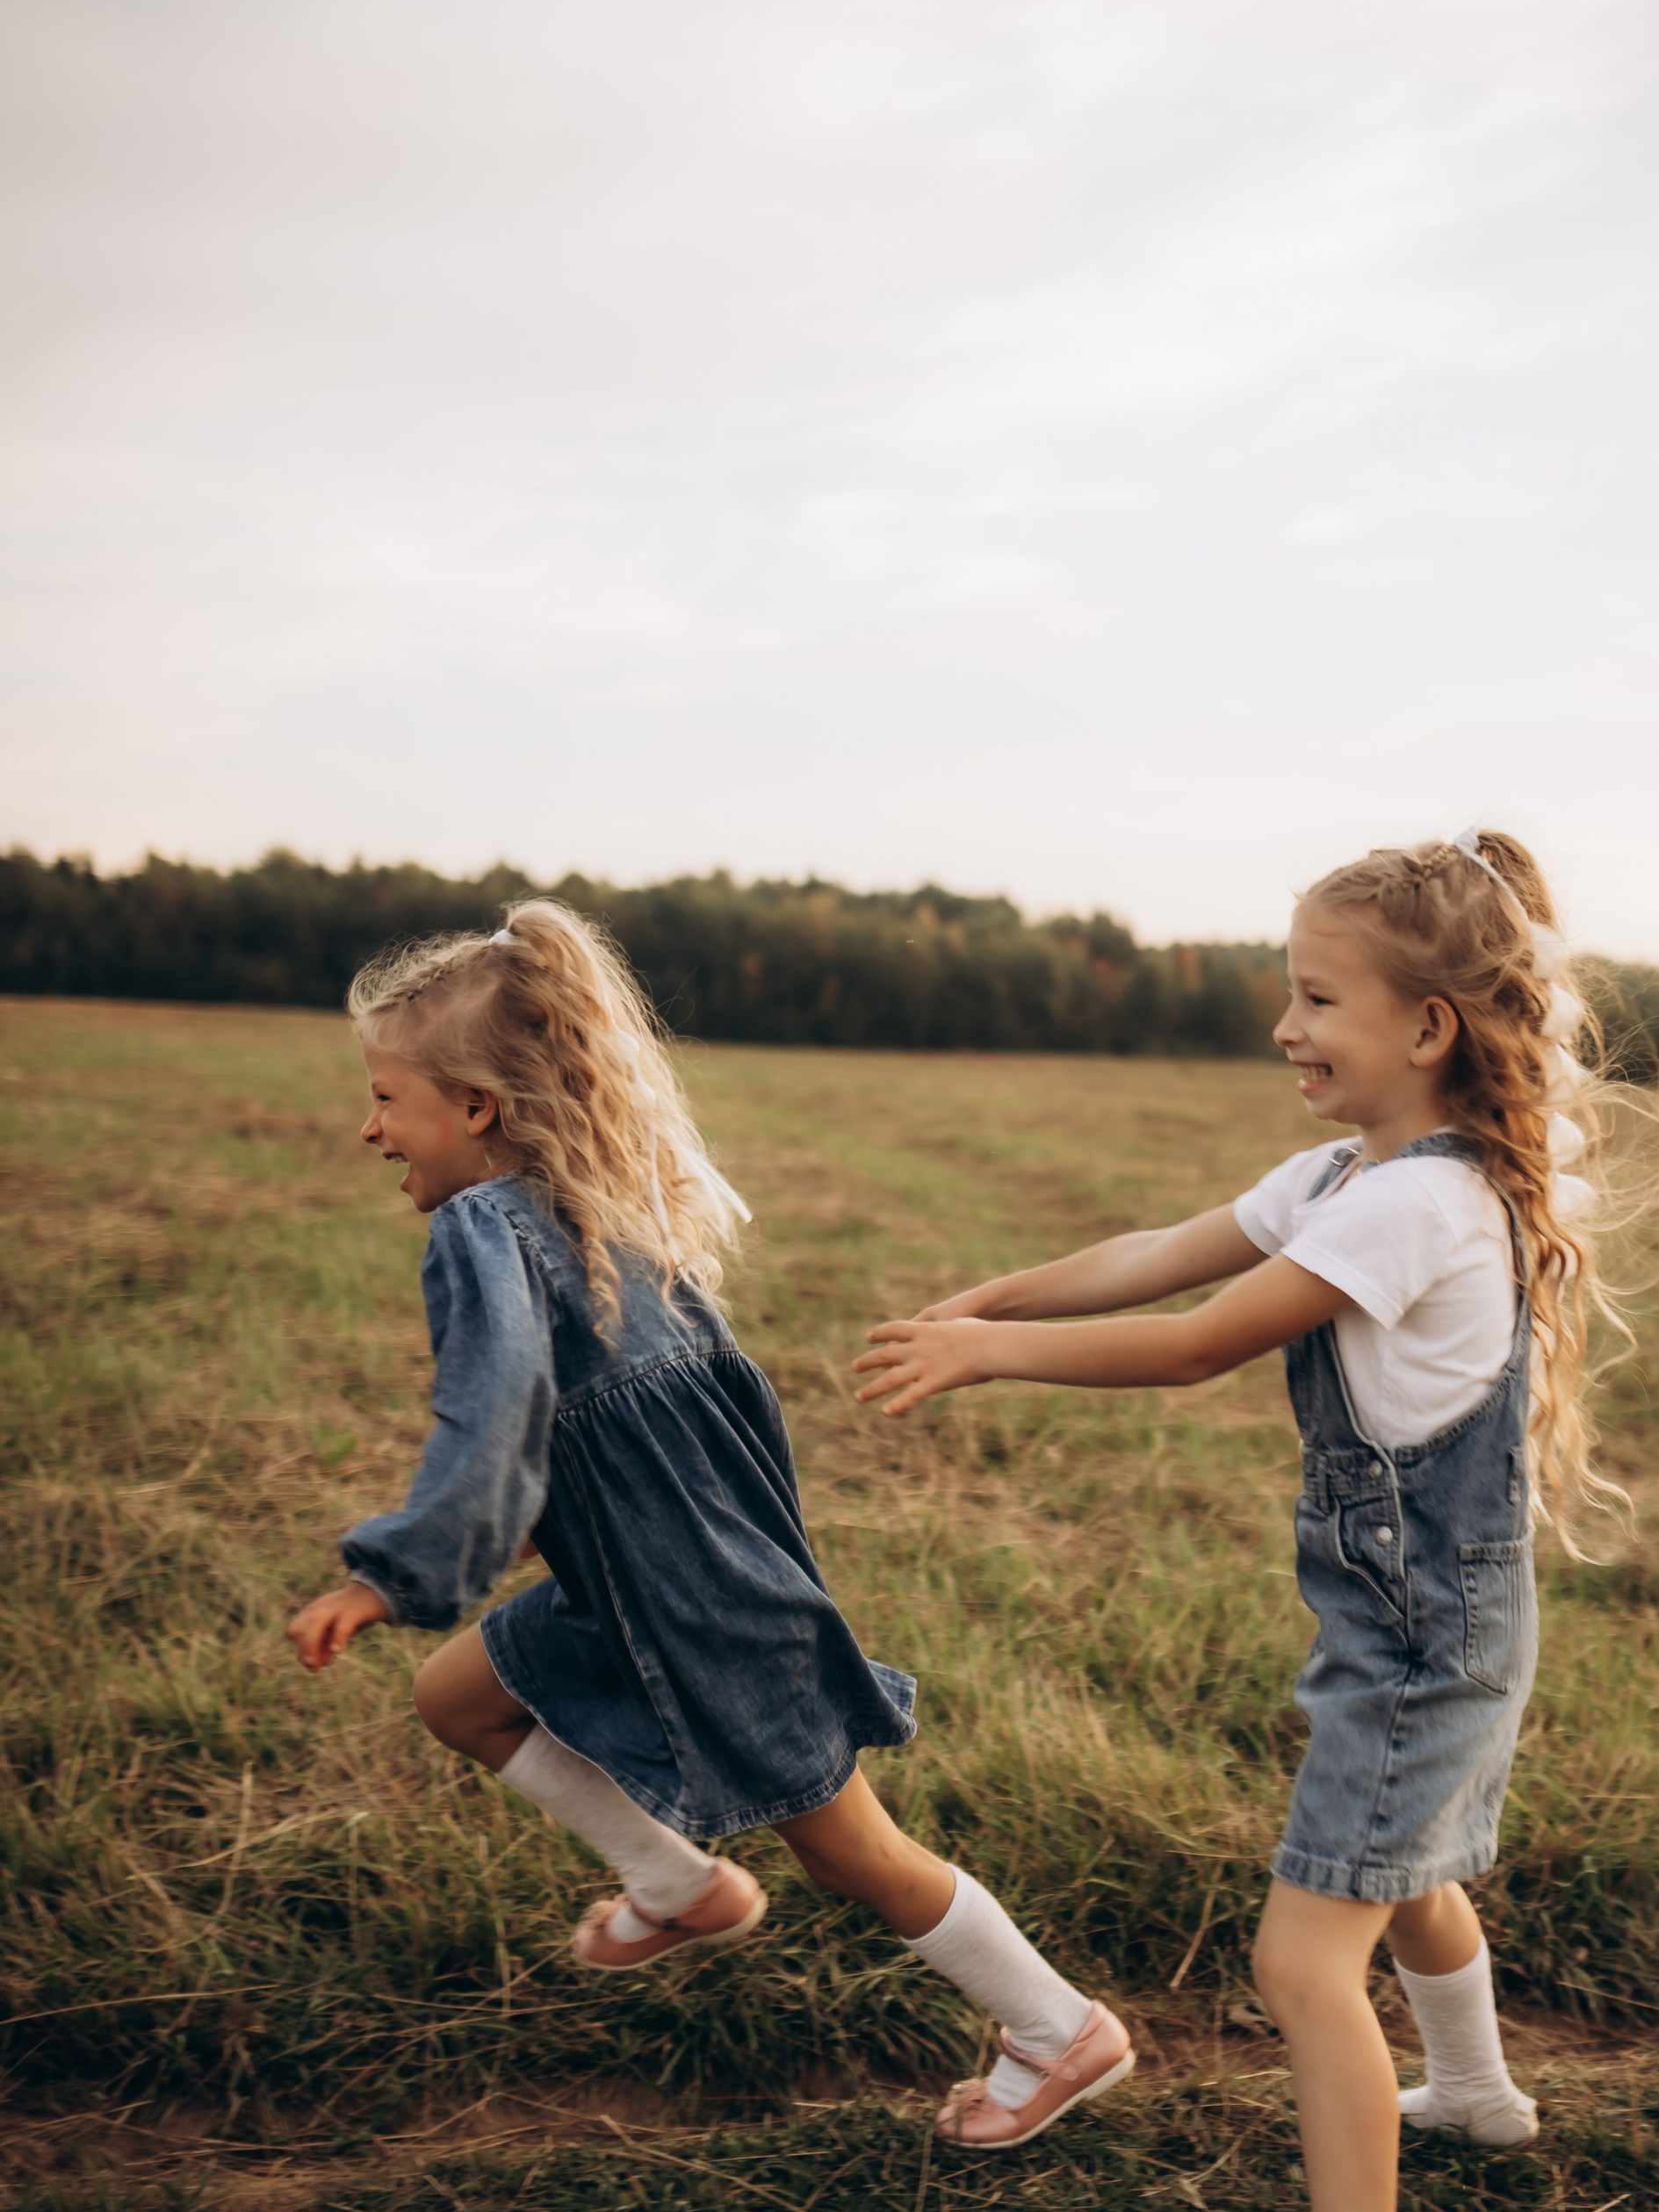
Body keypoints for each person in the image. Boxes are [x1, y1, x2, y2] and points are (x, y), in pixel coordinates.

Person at [855, 830, 1617, 2212]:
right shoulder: (1351, 1177)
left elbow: (1202, 1339)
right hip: (1411, 1626)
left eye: (1318, 995)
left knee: (1300, 1961)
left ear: (1425, 1029)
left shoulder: (1421, 1205)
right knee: (1403, 1870)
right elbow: (1161, 1256)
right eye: (1290, 990)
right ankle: (1476, 2095)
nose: (1288, 1023)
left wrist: (994, 1357)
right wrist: (989, 1303)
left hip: (1424, 1639)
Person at [285, 899, 1130, 2147]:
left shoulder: (483, 1228)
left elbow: (491, 1410)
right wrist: (552, 1513)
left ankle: (1061, 2032)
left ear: (474, 1109)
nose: (367, 1127)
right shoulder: (602, 1213)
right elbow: (681, 1421)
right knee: (458, 1701)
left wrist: (395, 1574)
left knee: (856, 1854)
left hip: (701, 1601)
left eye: (386, 1098)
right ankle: (678, 1882)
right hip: (644, 1579)